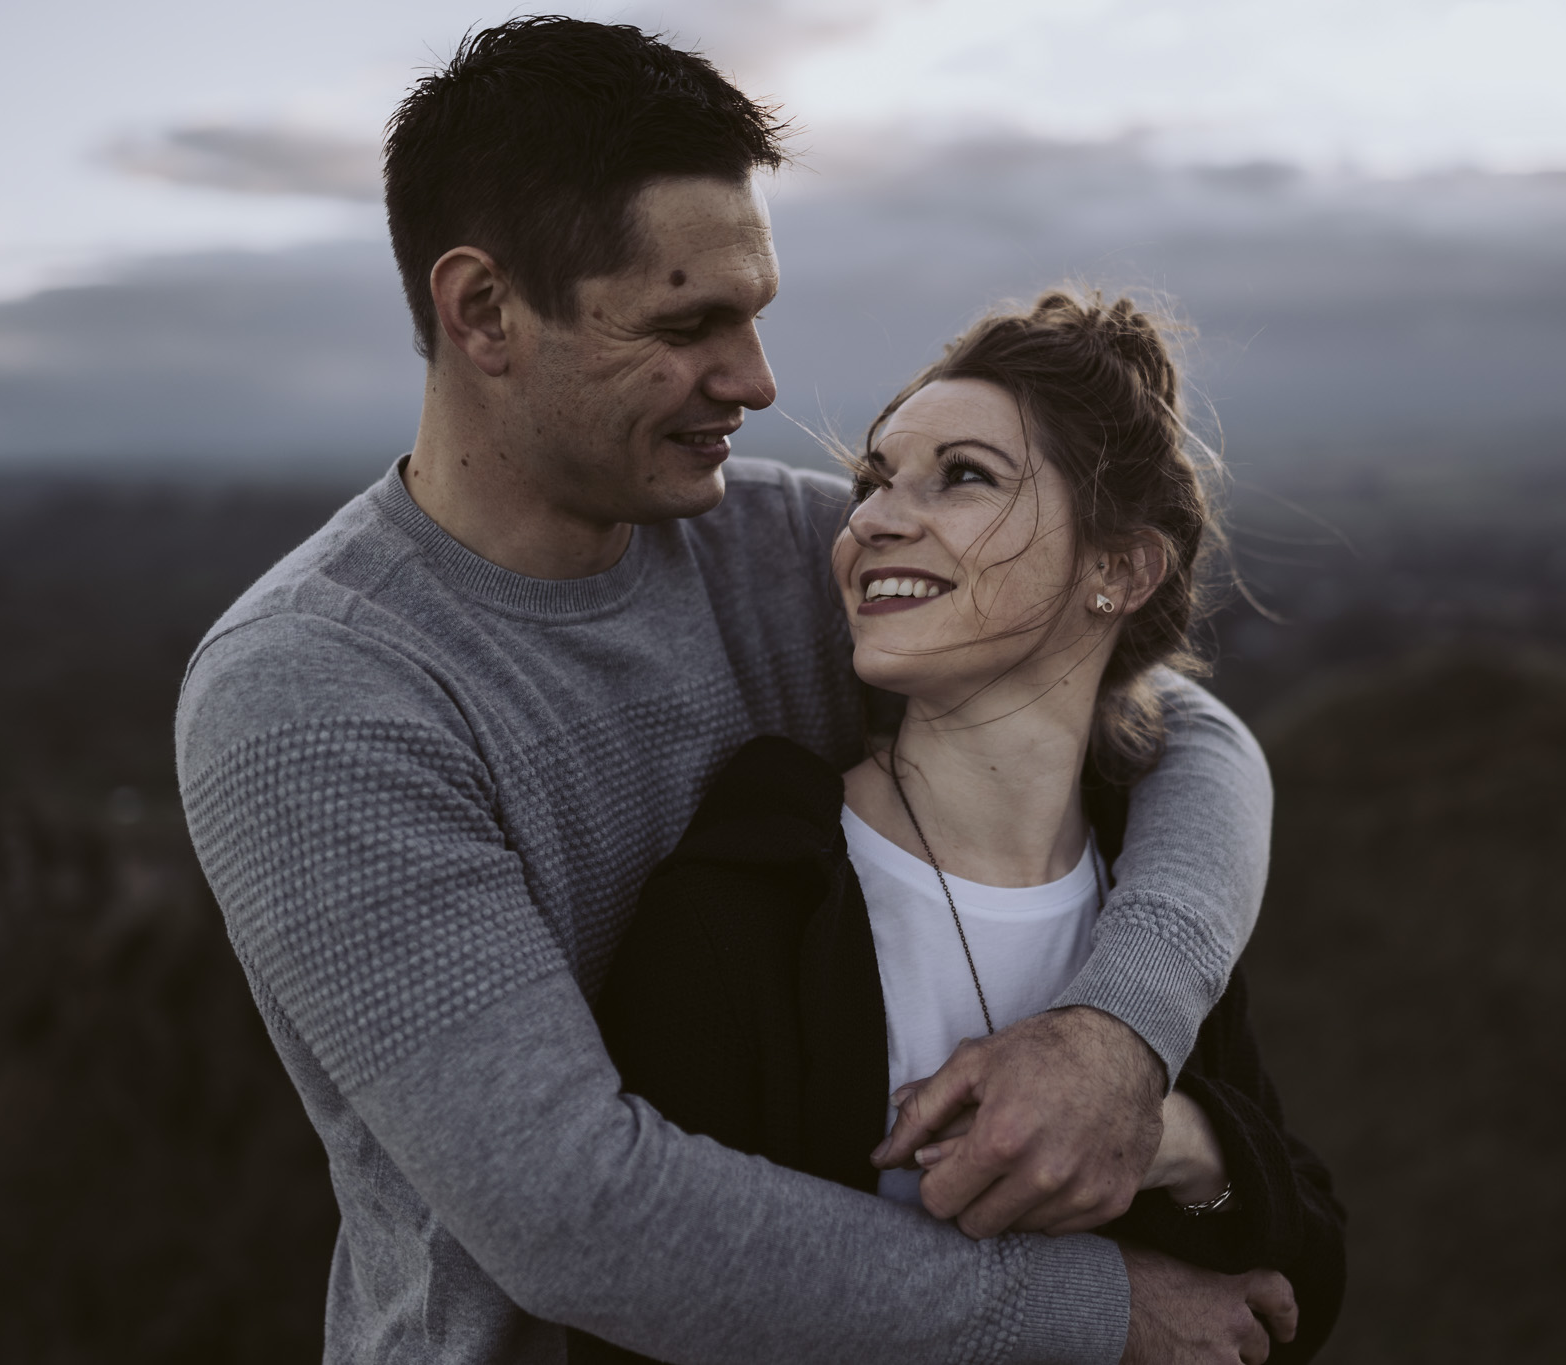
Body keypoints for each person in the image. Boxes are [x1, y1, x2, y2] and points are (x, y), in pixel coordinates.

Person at [176, 17, 1276, 1364]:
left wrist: (1121, 1035)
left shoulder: (776, 546)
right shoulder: (317, 691)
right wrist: (1093, 1315)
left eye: (755, 315)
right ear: (483, 314)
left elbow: (1183, 722)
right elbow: (576, 1212)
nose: (754, 382)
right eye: (689, 324)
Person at [596, 291, 1344, 1365]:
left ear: (1116, 571)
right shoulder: (744, 901)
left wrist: (1167, 1135)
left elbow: (1295, 1293)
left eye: (962, 476)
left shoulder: (1149, 894)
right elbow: (647, 1313)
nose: (872, 521)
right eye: (875, 481)